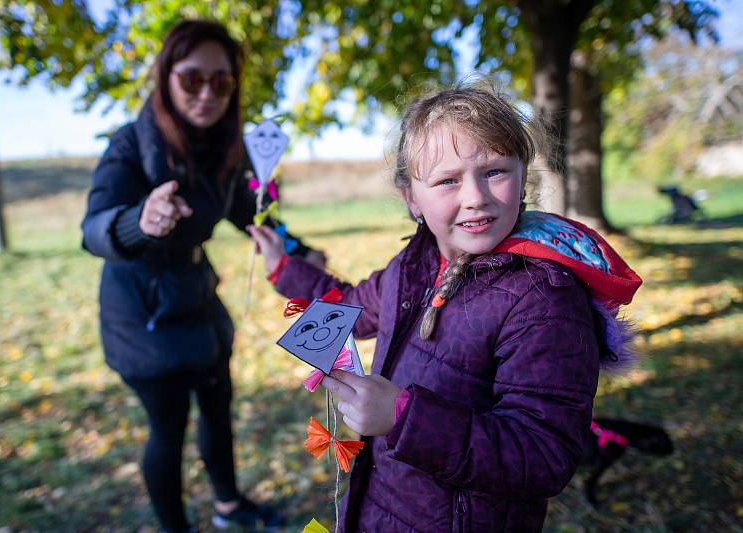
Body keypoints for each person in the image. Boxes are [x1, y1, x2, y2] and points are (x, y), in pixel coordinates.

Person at [249, 83, 641, 532]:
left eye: (495, 171)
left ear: (523, 173)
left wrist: (401, 417)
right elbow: (348, 307)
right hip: (383, 508)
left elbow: (542, 455)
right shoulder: (412, 266)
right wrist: (284, 270)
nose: (475, 196)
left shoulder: (544, 299)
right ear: (411, 198)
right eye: (447, 180)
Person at [81, 19, 325, 533]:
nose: (207, 93)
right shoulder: (130, 145)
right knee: (168, 430)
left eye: (221, 81)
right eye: (193, 79)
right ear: (166, 77)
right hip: (142, 315)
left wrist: (299, 250)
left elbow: (249, 211)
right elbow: (94, 228)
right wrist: (138, 220)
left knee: (218, 409)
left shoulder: (226, 151)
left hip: (199, 303)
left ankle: (229, 507)